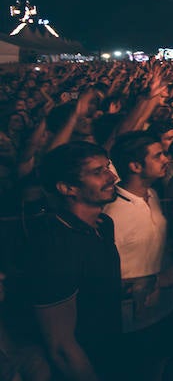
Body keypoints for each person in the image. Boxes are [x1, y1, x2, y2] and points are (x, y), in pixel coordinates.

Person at [27, 141, 122, 380]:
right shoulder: (56, 246)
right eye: (98, 172)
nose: (112, 176)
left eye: (108, 167)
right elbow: (60, 346)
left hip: (109, 352)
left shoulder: (102, 225)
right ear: (68, 188)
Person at [104, 132, 173, 381]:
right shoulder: (112, 212)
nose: (166, 159)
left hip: (161, 309)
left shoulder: (153, 195)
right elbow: (103, 273)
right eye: (157, 155)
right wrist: (156, 281)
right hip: (129, 320)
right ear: (135, 166)